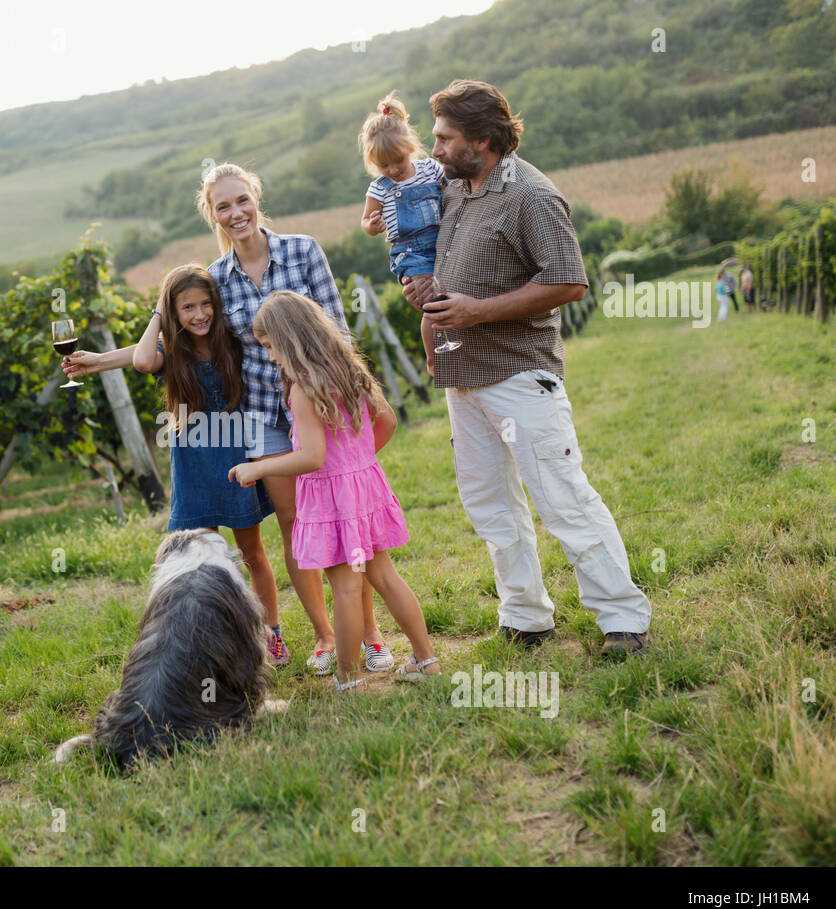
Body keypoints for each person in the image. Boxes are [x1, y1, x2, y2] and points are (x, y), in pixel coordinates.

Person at [403, 79, 651, 659]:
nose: (433, 149)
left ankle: (622, 619)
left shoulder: (533, 195)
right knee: (490, 504)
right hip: (461, 379)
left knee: (563, 498)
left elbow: (567, 280)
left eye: (443, 138)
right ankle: (525, 616)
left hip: (519, 376)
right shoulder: (457, 188)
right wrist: (432, 293)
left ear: (482, 140)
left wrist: (474, 311)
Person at [196, 162, 393, 675]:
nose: (235, 212)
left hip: (320, 405)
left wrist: (360, 397)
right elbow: (186, 332)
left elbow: (337, 330)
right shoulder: (215, 279)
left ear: (256, 198)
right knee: (297, 525)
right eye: (223, 206)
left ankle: (369, 634)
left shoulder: (303, 250)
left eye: (242, 200)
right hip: (263, 412)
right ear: (212, 215)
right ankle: (327, 636)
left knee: (345, 520)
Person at [61, 265, 283, 654]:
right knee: (207, 561)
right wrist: (158, 315)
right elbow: (144, 360)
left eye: (205, 304)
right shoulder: (172, 350)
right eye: (186, 308)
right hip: (193, 461)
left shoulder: (229, 341)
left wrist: (99, 360)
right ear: (172, 314)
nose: (199, 314)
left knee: (251, 553)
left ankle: (272, 634)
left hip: (234, 453)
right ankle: (227, 643)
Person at [228, 291, 442, 690]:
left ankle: (347, 679)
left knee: (344, 586)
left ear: (288, 340)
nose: (272, 357)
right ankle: (426, 658)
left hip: (332, 499)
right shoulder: (350, 369)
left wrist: (257, 468)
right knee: (386, 576)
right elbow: (389, 421)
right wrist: (357, 461)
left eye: (272, 347)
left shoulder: (302, 389)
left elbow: (310, 457)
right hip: (365, 487)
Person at [359, 91, 448, 343]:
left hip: (441, 240)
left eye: (398, 160)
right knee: (431, 300)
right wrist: (372, 225)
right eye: (384, 166)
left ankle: (457, 344)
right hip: (411, 252)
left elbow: (452, 189)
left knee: (450, 292)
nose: (393, 170)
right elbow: (365, 221)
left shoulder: (430, 168)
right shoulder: (379, 188)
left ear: (410, 146)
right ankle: (435, 356)